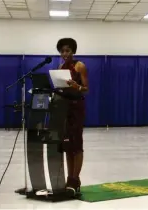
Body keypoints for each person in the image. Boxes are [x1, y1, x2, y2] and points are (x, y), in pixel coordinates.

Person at [56, 38, 88, 194]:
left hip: (77, 108)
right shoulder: (60, 67)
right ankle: (70, 179)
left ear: (73, 51)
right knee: (68, 145)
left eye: (67, 50)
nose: (64, 54)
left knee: (76, 145)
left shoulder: (79, 66)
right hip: (64, 108)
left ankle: (75, 179)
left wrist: (77, 86)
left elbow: (86, 89)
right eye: (62, 51)